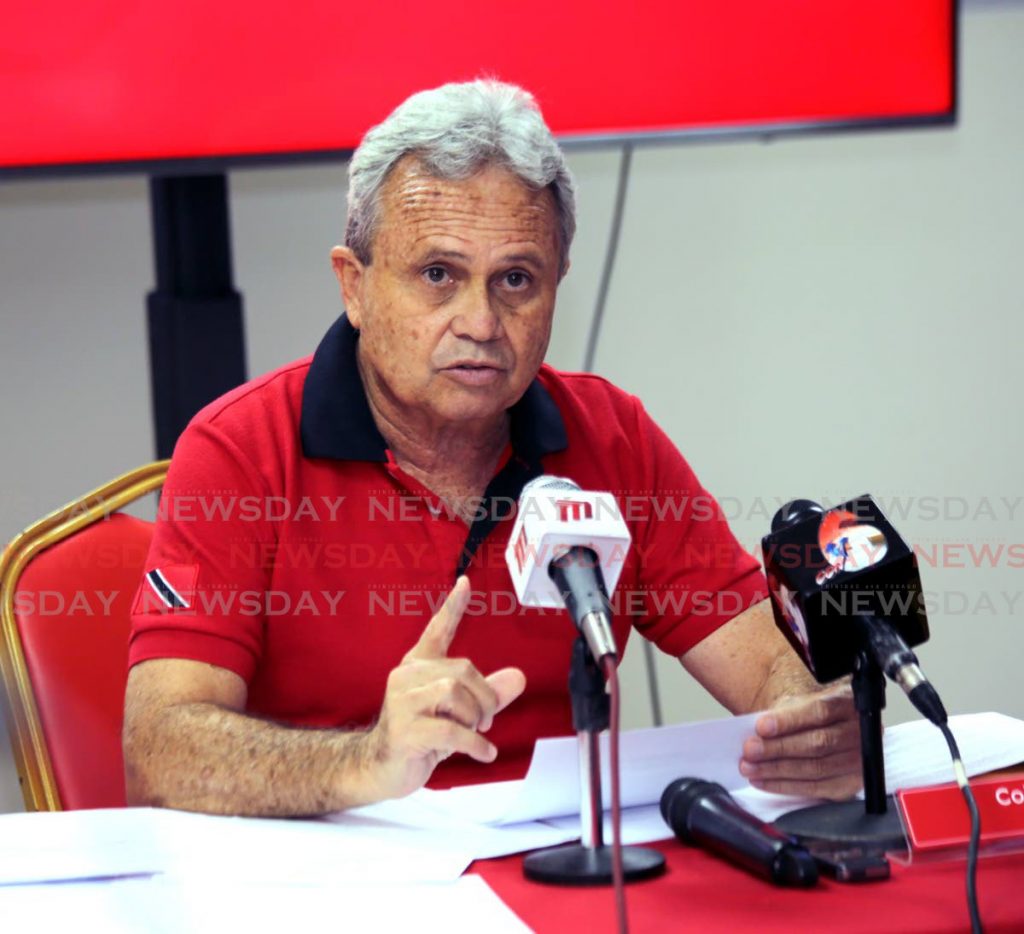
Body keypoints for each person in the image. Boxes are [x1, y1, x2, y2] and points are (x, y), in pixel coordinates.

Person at [123, 80, 861, 816]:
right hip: (331, 878)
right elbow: (161, 751)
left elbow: (767, 665)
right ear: (354, 285)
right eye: (438, 275)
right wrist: (368, 758)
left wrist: (813, 723)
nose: (479, 320)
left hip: (558, 875)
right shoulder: (239, 450)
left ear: (556, 287)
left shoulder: (612, 437)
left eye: (515, 280)